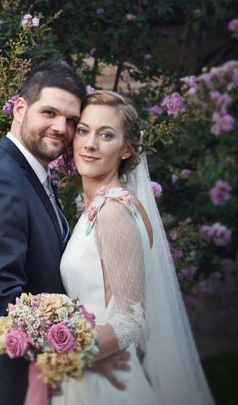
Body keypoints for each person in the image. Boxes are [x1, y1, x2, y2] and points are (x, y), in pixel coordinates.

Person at [0, 61, 128, 405]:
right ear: (20, 108)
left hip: (31, 383)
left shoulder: (30, 176)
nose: (61, 128)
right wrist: (83, 351)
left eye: (71, 121)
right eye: (50, 112)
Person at [51, 90, 214, 404]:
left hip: (104, 382)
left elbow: (129, 319)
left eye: (106, 135)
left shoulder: (114, 212)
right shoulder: (103, 207)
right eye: (83, 130)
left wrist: (60, 356)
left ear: (126, 149)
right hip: (91, 373)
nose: (90, 144)